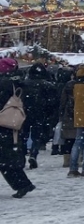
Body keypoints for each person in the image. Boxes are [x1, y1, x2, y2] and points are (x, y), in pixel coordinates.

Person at [0, 60, 35, 198]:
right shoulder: (19, 81)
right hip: (14, 123)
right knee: (8, 158)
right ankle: (23, 184)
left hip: (3, 124)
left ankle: (23, 184)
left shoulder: (4, 83)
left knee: (5, 159)